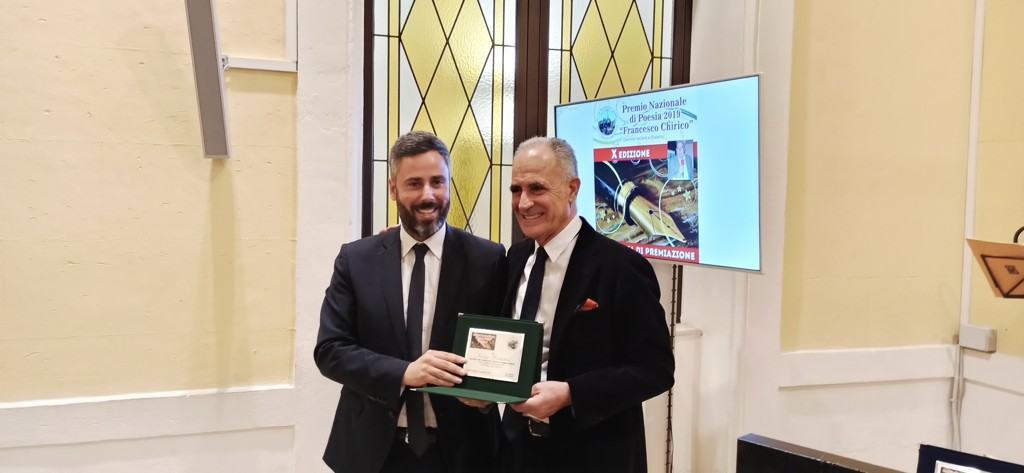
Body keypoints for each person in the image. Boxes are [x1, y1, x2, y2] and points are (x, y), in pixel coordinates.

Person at [315, 131, 506, 473]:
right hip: (373, 453)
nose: (428, 195)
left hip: (464, 453)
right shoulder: (356, 260)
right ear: (393, 189)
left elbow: (504, 347)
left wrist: (487, 397)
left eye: (437, 182)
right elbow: (330, 350)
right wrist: (404, 372)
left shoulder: (488, 259)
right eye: (414, 184)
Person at [500, 137, 674, 473]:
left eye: (537, 188)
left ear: (572, 189)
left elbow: (656, 370)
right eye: (516, 190)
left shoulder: (622, 268)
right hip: (518, 451)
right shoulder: (515, 258)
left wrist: (571, 393)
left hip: (593, 455)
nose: (524, 203)